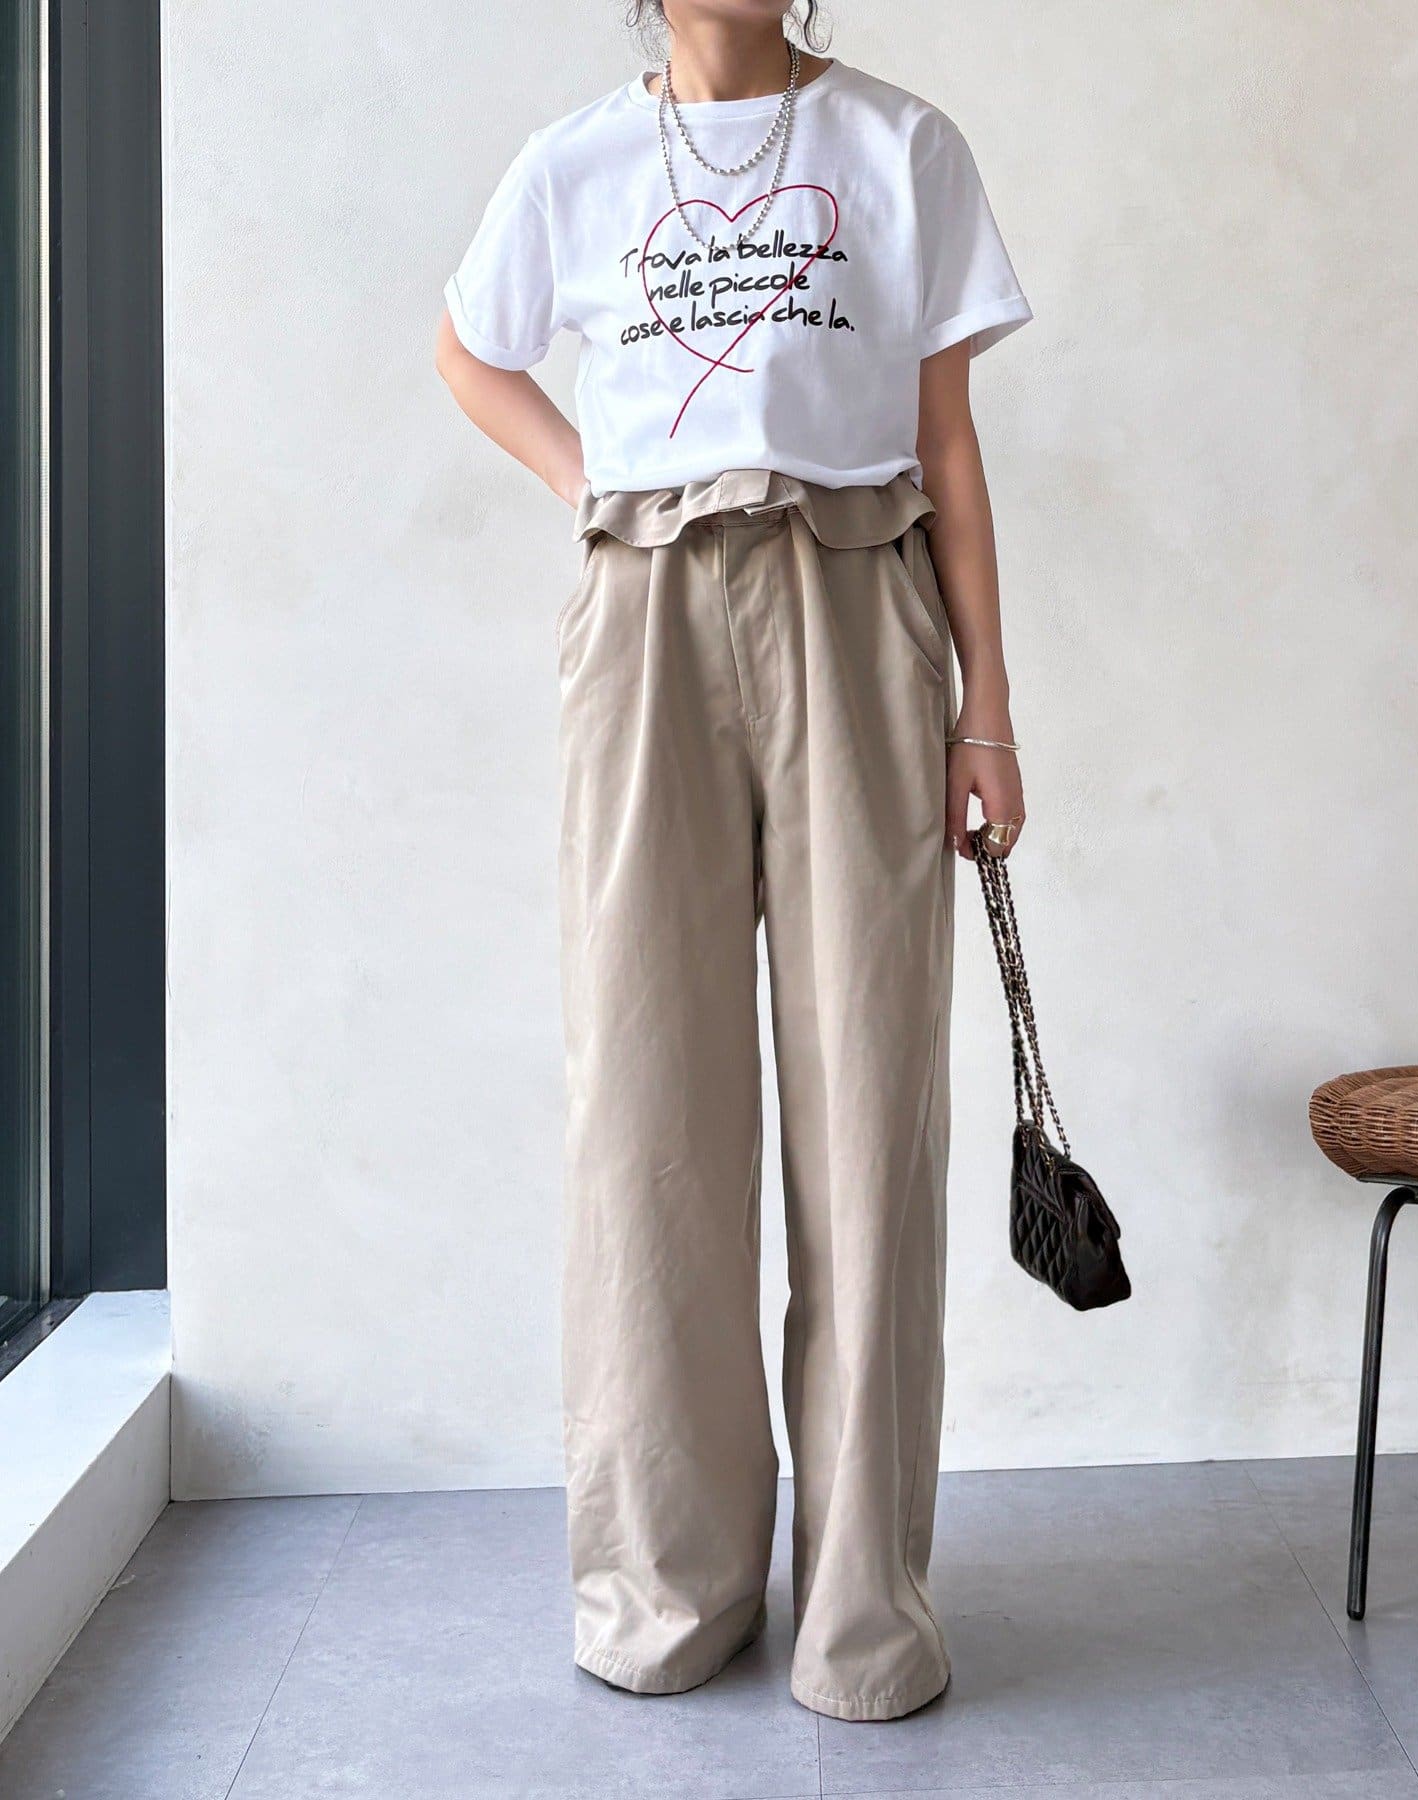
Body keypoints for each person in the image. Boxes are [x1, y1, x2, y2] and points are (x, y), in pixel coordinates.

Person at [436, 0, 1031, 1724]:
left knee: (870, 1116)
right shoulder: (574, 163)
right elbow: (469, 351)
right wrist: (593, 480)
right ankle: (665, 1590)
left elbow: (947, 442)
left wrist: (988, 708)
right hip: (644, 617)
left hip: (857, 600)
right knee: (647, 1114)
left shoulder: (901, 146)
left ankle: (862, 1618)